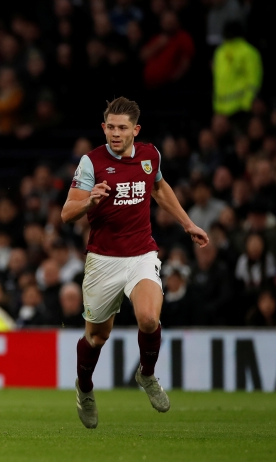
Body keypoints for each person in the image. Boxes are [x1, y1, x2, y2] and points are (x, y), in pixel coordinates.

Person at [61, 97, 209, 429]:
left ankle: (147, 373)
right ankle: (84, 388)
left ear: (135, 130)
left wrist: (188, 224)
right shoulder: (91, 163)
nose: (115, 133)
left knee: (148, 319)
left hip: (142, 254)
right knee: (97, 338)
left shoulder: (149, 156)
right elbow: (66, 214)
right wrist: (89, 201)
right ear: (104, 127)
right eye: (110, 127)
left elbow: (159, 188)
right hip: (103, 260)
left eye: (122, 128)